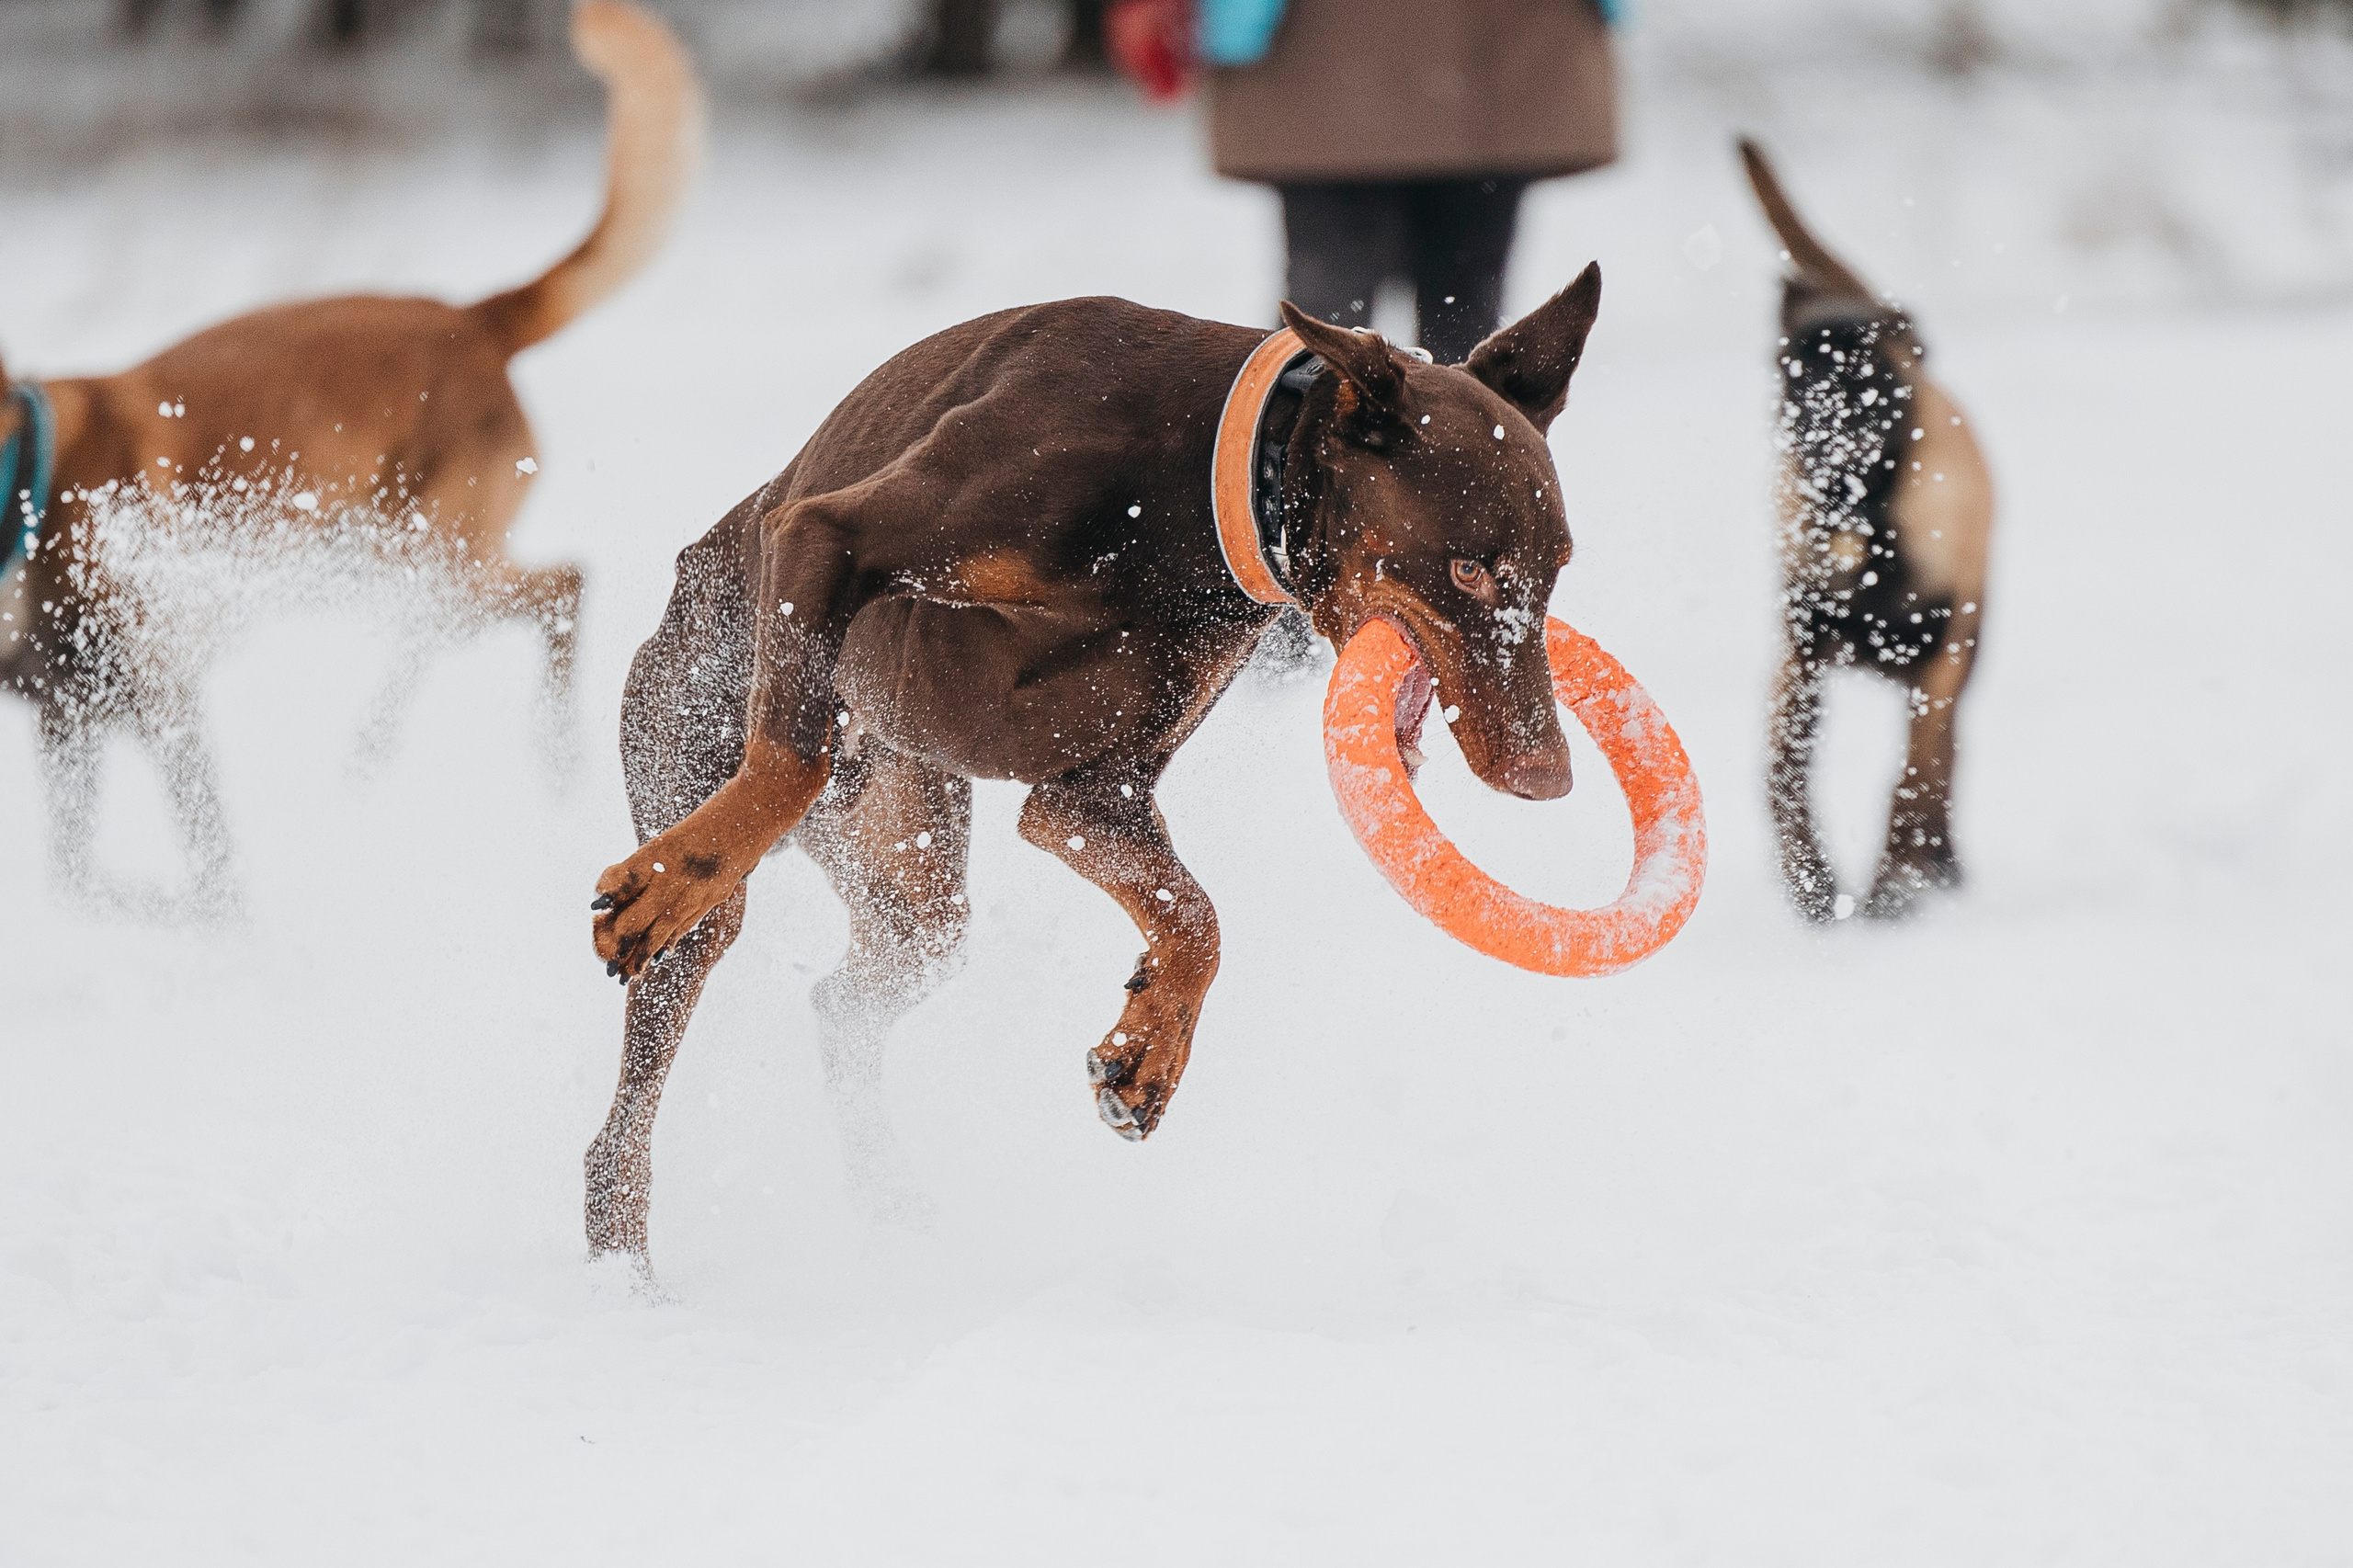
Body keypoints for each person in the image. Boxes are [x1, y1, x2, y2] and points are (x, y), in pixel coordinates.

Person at [1209, 0, 1619, 364]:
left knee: (1329, 321)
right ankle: (1459, 439)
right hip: (1494, 49)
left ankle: (1297, 434)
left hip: (1331, 52)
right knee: (1460, 309)